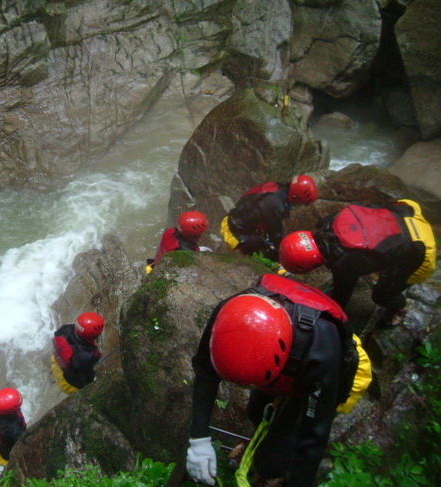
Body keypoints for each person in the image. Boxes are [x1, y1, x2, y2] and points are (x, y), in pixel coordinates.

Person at [186, 273, 371, 487]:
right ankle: (257, 444)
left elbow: (314, 435)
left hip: (332, 364)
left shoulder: (322, 355)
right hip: (289, 353)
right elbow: (206, 374)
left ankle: (271, 473)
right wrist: (198, 439)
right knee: (256, 410)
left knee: (273, 460)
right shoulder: (229, 315)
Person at [279, 199, 437, 327]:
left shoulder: (344, 264)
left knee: (381, 295)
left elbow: (339, 300)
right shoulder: (326, 223)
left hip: (421, 249)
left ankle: (399, 308)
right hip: (407, 210)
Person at [221, 175, 318, 261]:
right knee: (271, 255)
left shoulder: (277, 189)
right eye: (301, 203)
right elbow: (276, 235)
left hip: (234, 218)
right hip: (234, 234)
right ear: (296, 196)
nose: (299, 205)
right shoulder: (275, 204)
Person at [51, 312, 104, 394]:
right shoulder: (86, 356)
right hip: (69, 383)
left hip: (56, 363)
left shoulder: (65, 329)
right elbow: (87, 375)